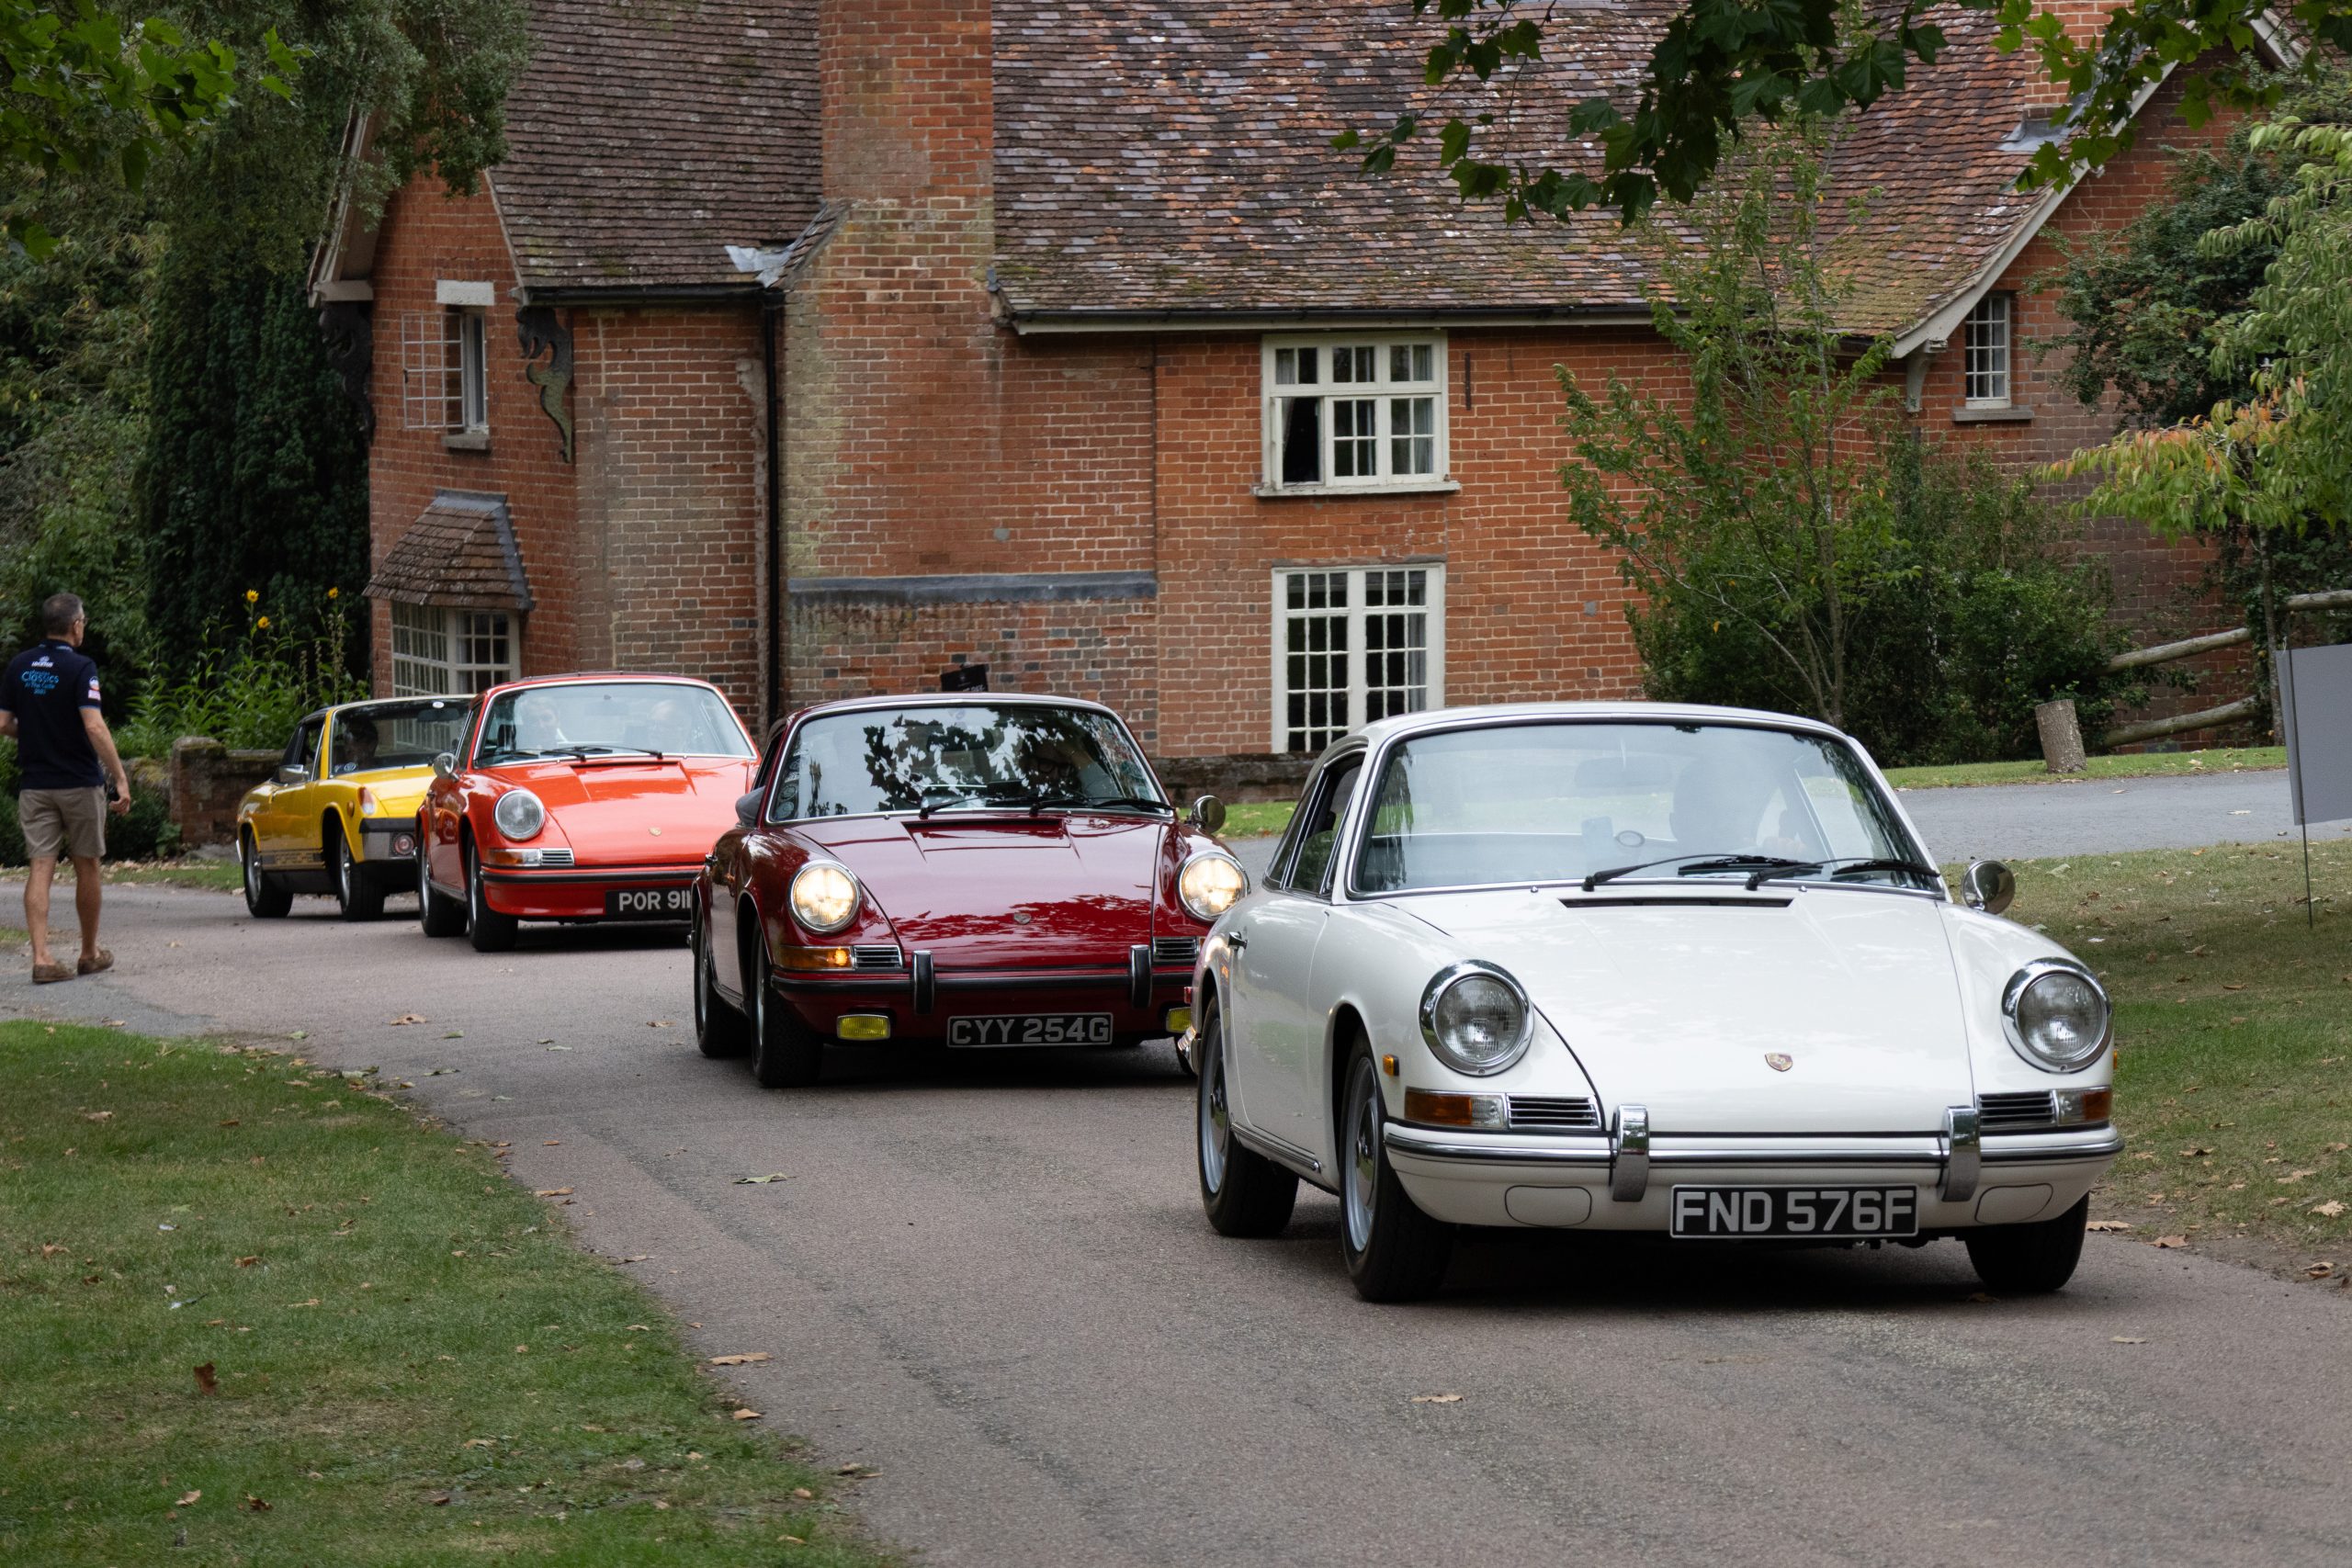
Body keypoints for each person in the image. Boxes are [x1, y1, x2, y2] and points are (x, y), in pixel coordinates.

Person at [0, 592, 132, 983]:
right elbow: (93, 725)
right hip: (78, 783)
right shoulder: (81, 667)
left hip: (36, 785)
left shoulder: (19, 666)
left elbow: (4, 723)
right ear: (76, 625)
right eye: (84, 622)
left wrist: (33, 733)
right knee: (86, 863)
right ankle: (89, 953)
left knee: (40, 867)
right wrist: (120, 777)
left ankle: (42, 958)